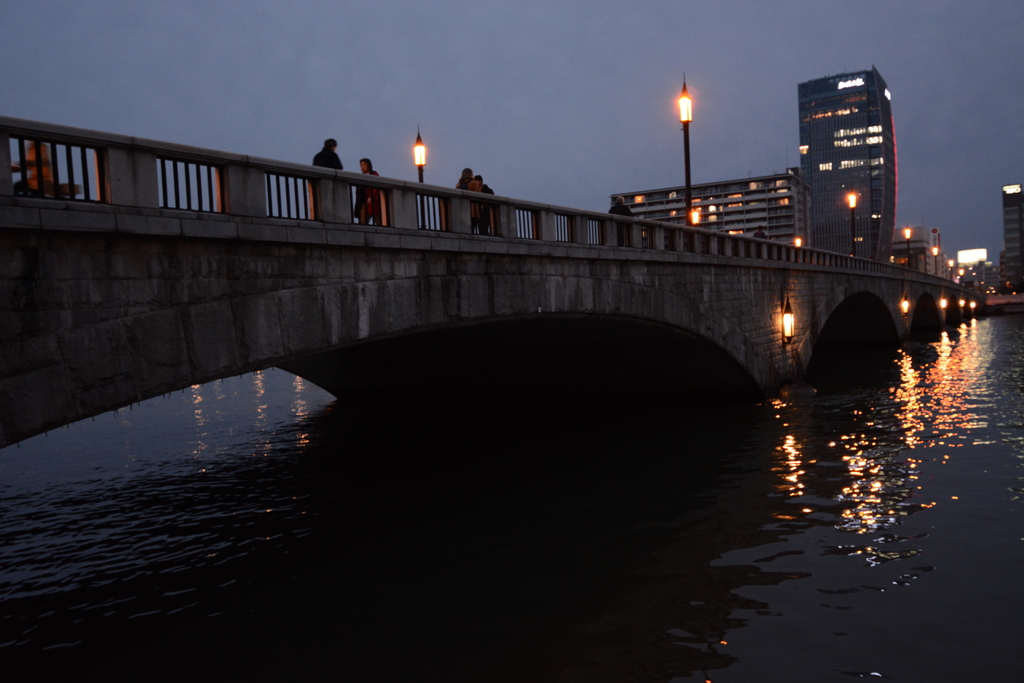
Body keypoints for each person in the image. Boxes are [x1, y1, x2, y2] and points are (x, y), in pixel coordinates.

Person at [354, 158, 381, 224]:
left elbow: (377, 188)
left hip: (373, 203)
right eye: (361, 165)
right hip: (363, 203)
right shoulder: (360, 177)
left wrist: (372, 197)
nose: (362, 167)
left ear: (368, 166)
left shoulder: (374, 175)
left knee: (380, 223)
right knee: (362, 224)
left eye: (364, 165)